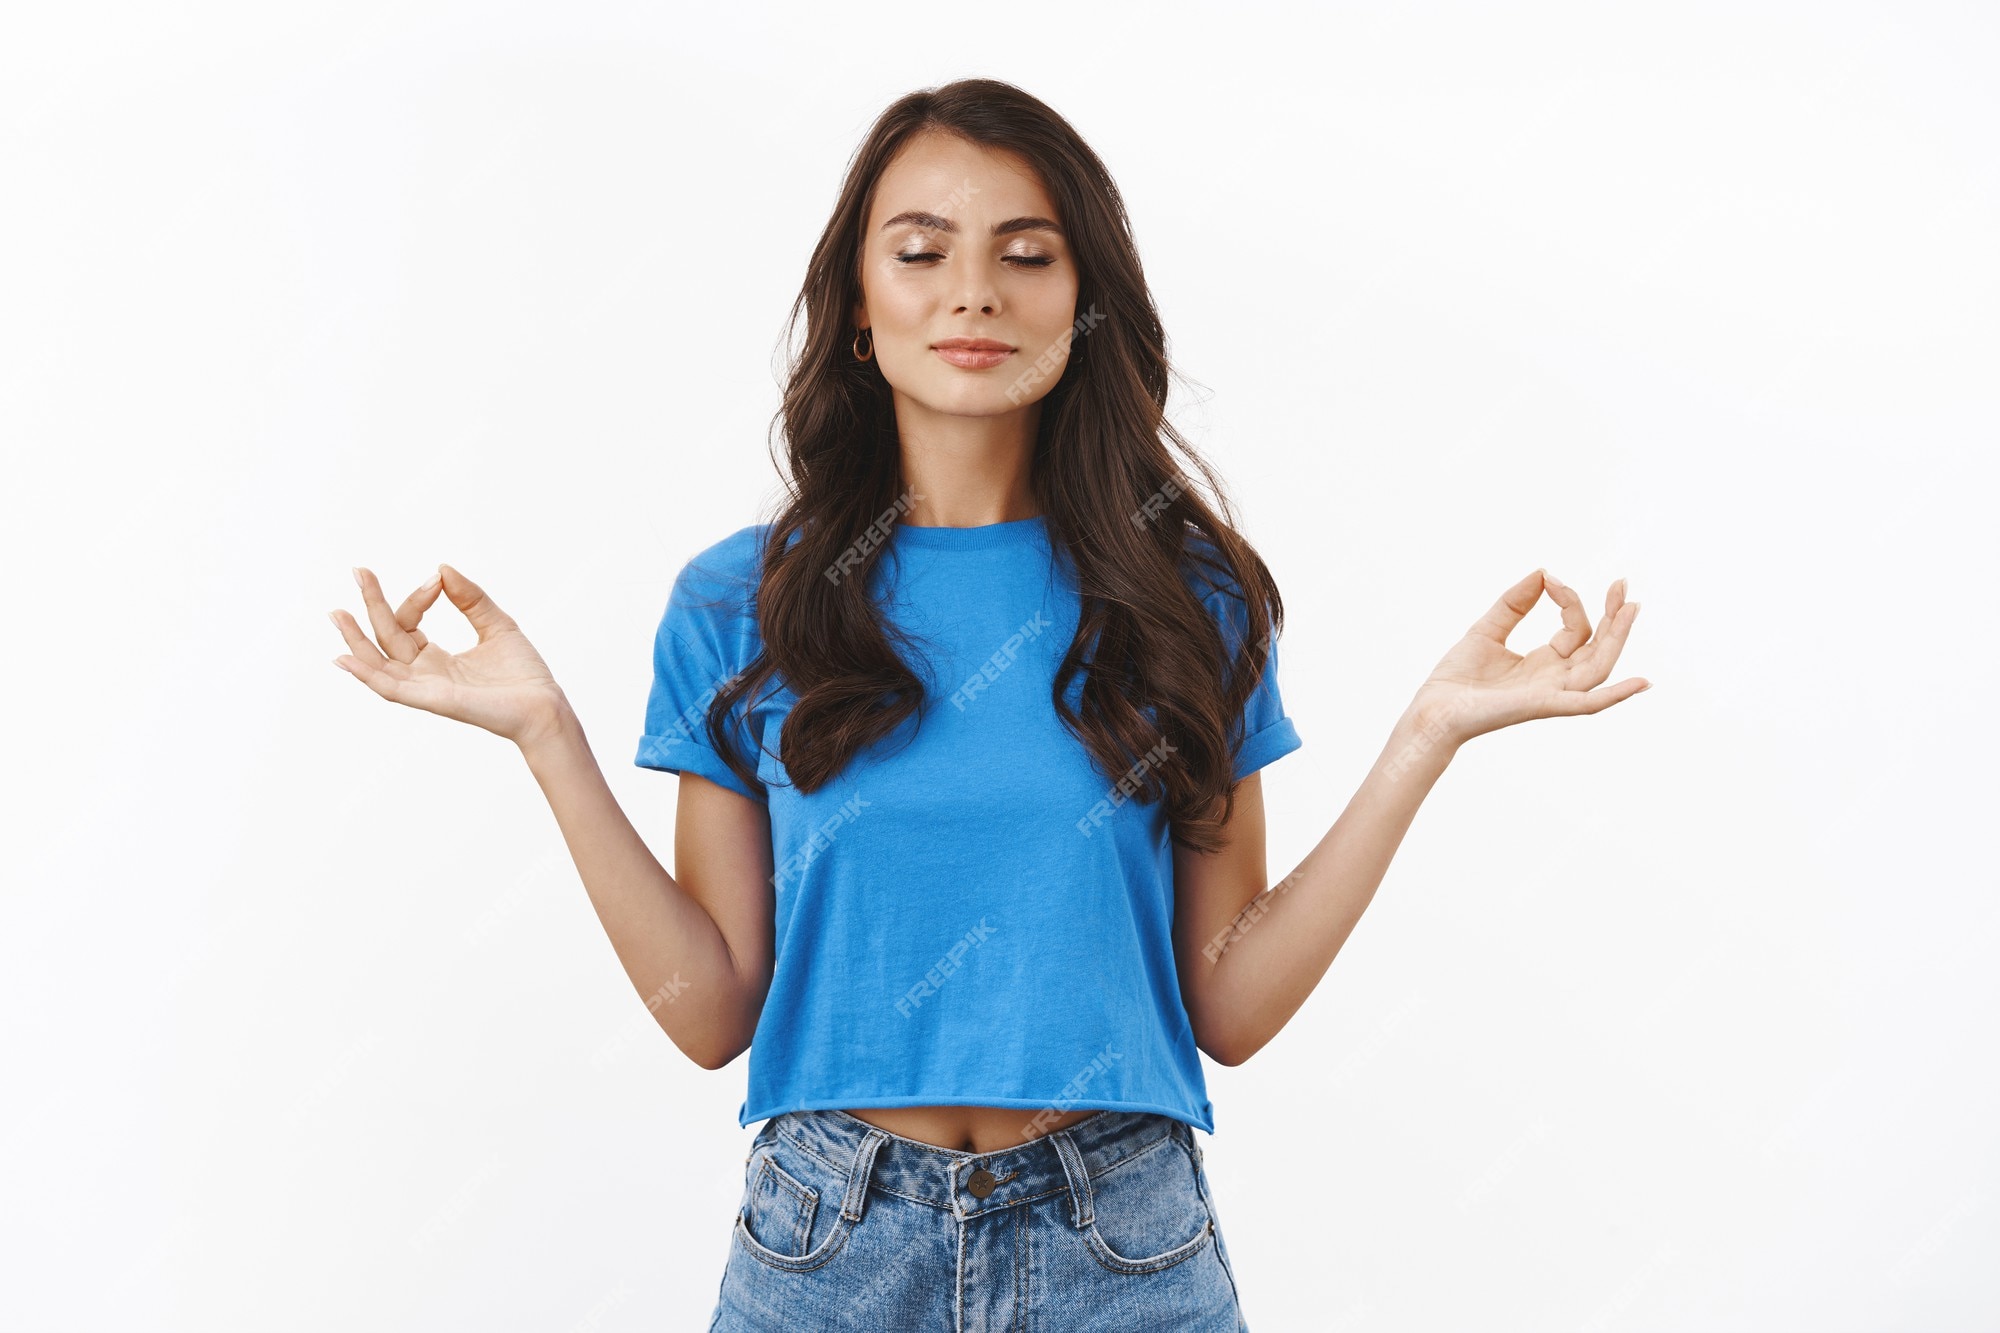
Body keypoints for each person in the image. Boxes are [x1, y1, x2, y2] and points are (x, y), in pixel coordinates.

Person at [328, 77, 1648, 1333]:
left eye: (1027, 252)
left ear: (1085, 300)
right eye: (921, 251)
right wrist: (546, 734)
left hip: (1122, 1235)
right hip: (828, 1240)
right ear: (857, 304)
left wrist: (1427, 736)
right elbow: (711, 1006)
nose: (974, 290)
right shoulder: (745, 604)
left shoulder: (1189, 597)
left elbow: (1230, 1003)